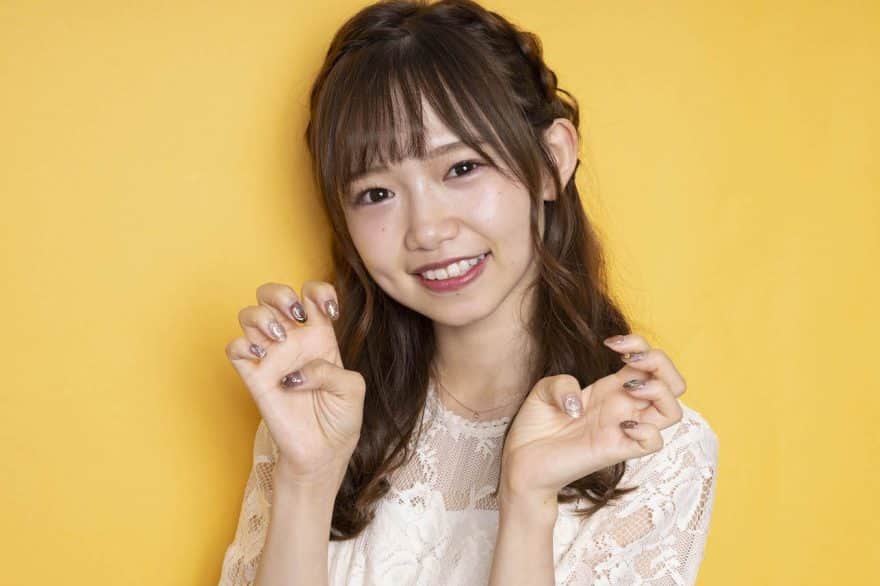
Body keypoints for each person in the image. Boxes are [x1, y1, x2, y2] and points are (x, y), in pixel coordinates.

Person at [218, 1, 719, 584]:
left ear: (551, 161)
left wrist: (527, 499)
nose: (427, 230)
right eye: (376, 193)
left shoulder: (650, 445)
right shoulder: (319, 412)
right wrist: (307, 478)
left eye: (460, 169)